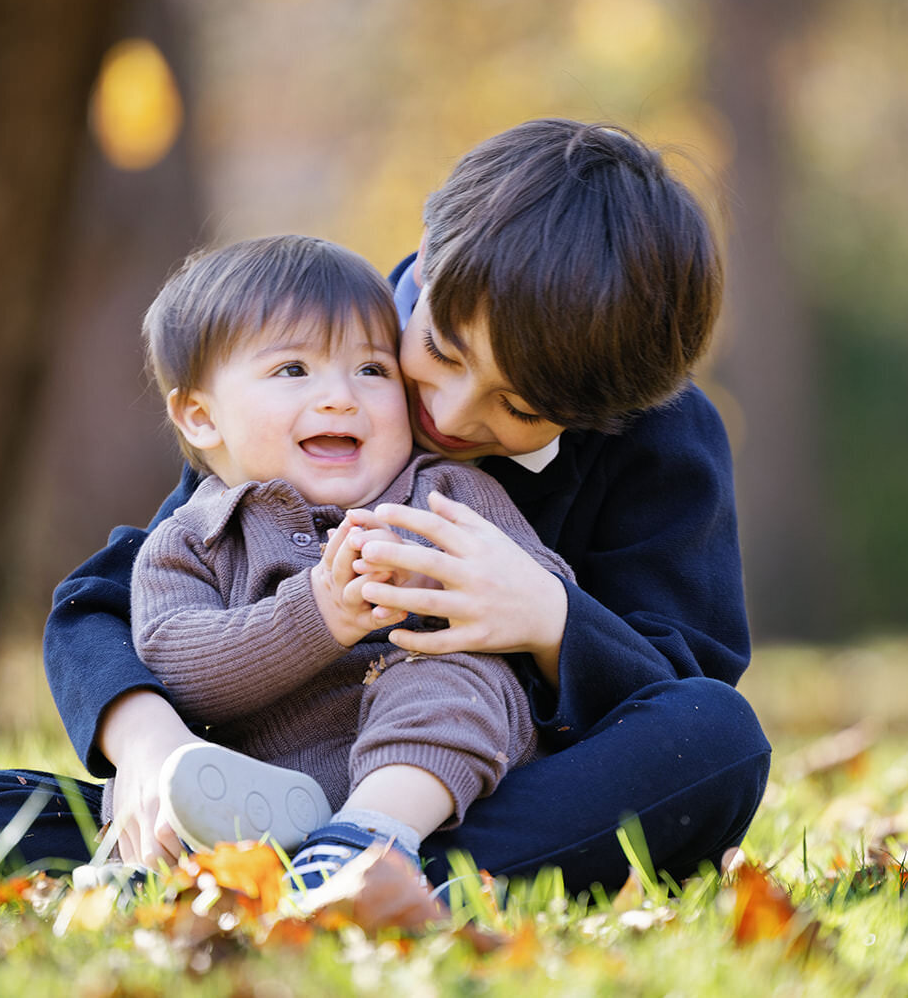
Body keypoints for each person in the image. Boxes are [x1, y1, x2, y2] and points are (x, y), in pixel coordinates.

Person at [0, 118, 772, 894]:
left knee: (719, 739)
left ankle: (356, 861)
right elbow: (113, 600)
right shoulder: (335, 357)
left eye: (517, 409)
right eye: (438, 349)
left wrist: (547, 616)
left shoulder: (660, 439)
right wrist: (152, 749)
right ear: (429, 257)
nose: (450, 409)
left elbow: (684, 677)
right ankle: (292, 861)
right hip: (276, 768)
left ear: (599, 413)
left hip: (496, 787)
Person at [120, 234, 572, 885]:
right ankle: (164, 865)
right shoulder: (194, 538)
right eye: (293, 370)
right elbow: (174, 663)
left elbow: (541, 585)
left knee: (452, 671)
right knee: (160, 761)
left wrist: (453, 589)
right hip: (258, 782)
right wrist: (318, 613)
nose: (341, 397)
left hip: (426, 779)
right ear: (199, 415)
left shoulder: (447, 491)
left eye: (372, 369)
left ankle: (365, 834)